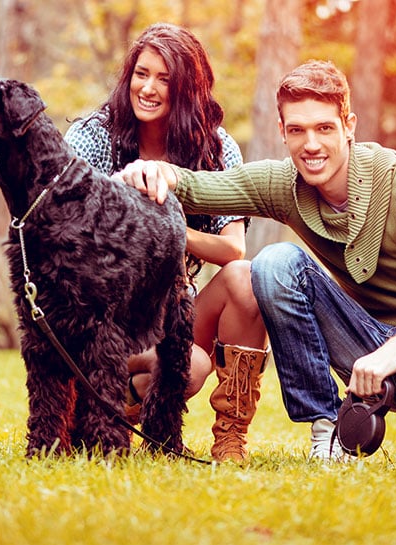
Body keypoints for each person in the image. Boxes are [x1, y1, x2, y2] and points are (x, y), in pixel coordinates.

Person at [115, 59, 396, 469]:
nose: (311, 145)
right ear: (281, 131)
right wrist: (153, 170)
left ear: (349, 125)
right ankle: (328, 433)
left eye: (324, 128)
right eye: (297, 130)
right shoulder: (285, 185)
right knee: (275, 262)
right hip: (366, 334)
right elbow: (198, 188)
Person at [65, 22, 268, 462]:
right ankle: (90, 410)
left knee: (243, 282)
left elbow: (233, 248)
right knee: (178, 359)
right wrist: (125, 204)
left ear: (189, 89)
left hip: (173, 308)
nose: (149, 88)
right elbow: (64, 227)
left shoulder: (216, 148)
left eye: (165, 79)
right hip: (101, 312)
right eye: (141, 74)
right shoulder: (93, 135)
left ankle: (228, 436)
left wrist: (166, 226)